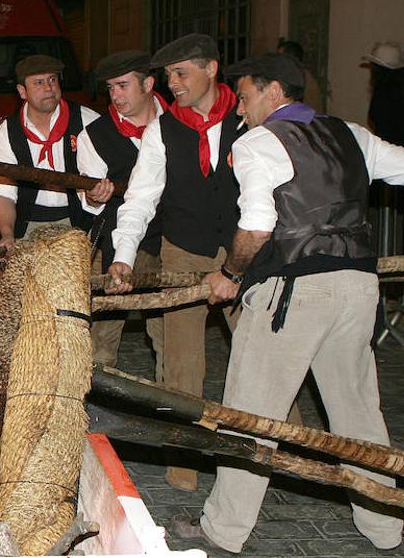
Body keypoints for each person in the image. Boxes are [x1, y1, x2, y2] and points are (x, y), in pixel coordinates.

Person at [169, 53, 404, 553]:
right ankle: (385, 526)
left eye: (247, 96)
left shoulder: (259, 142)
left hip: (293, 292)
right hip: (358, 287)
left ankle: (223, 531)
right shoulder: (352, 134)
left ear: (275, 92)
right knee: (357, 409)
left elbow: (257, 223)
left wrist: (231, 273)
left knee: (251, 412)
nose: (241, 110)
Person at [107, 33, 242, 491]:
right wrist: (123, 257)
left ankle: (276, 452)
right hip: (183, 249)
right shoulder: (161, 130)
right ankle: (184, 466)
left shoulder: (251, 119)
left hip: (244, 251)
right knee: (182, 365)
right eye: (167, 77)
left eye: (181, 74)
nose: (173, 84)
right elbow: (141, 197)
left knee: (262, 353)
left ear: (211, 69)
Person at [76, 51, 167, 368]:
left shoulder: (181, 123)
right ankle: (96, 401)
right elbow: (87, 199)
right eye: (110, 88)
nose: (115, 95)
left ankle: (170, 406)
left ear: (149, 84)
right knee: (104, 332)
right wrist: (95, 196)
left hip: (174, 237)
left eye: (123, 85)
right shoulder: (95, 135)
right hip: (119, 238)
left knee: (168, 333)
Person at [0, 54, 99, 250]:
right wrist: (7, 234)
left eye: (53, 79)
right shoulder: (7, 132)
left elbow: (100, 180)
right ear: (22, 91)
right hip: (27, 225)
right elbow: (3, 192)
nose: (49, 88)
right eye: (39, 82)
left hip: (80, 225)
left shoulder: (88, 122)